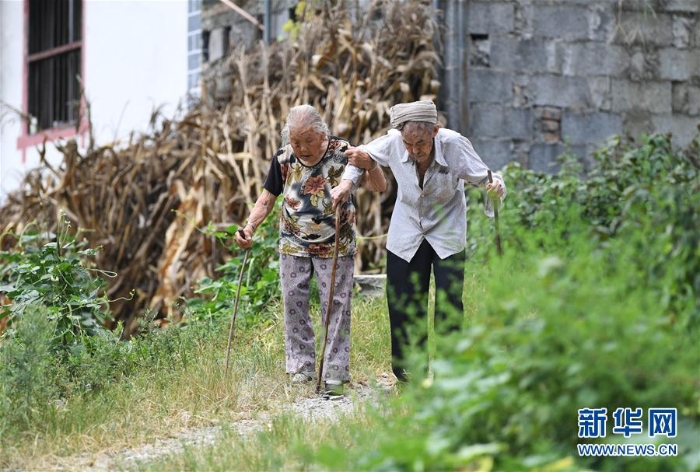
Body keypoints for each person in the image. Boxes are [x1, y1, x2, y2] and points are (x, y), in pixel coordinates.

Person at [332, 100, 506, 382]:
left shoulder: (455, 145)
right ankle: (409, 372)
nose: (414, 150)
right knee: (403, 299)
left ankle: (450, 371)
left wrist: (496, 187)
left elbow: (488, 177)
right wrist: (346, 184)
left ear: (435, 131)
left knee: (449, 301)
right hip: (408, 228)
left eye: (421, 143)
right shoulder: (392, 142)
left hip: (447, 227)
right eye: (409, 144)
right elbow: (360, 157)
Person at [234, 104, 386, 395]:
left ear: (322, 134)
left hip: (336, 243)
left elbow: (379, 186)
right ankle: (301, 369)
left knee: (337, 306)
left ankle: (335, 373)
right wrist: (250, 227)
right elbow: (266, 199)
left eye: (308, 141)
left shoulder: (344, 154)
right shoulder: (284, 158)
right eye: (295, 141)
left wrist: (370, 163)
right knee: (294, 302)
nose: (301, 148)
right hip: (293, 242)